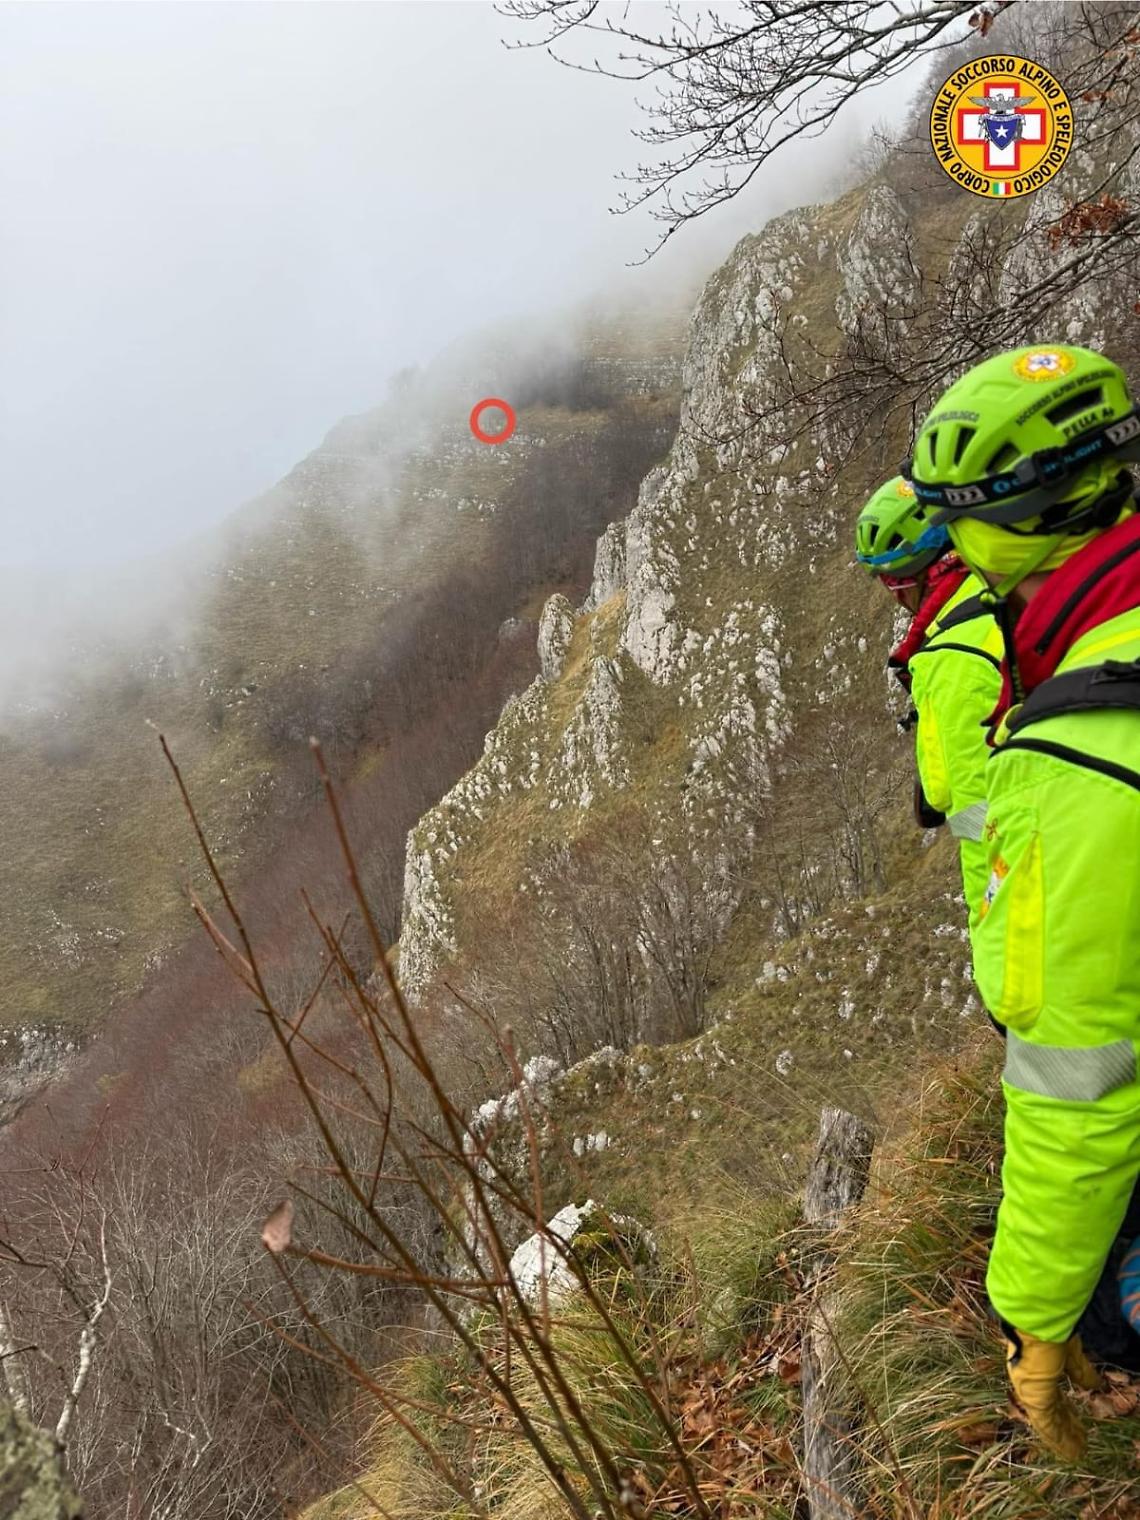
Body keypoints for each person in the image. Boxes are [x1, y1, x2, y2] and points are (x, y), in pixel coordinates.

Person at [906, 341, 1140, 1459]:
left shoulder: (1084, 753)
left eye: (958, 521)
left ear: (1003, 529)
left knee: (1117, 1311)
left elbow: (1080, 1077)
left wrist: (1037, 1319)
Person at [855, 476, 1003, 915]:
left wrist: (989, 910)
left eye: (890, 583)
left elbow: (978, 813)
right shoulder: (995, 589)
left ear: (912, 576)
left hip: (1015, 870)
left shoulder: (950, 659)